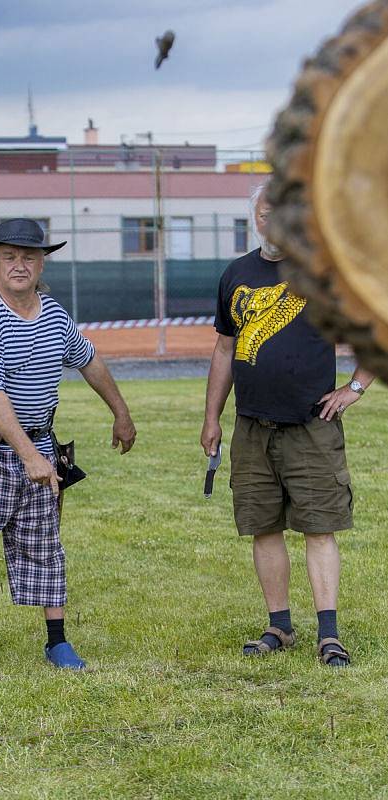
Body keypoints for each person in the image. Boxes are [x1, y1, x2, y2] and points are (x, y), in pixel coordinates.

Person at [0, 218, 136, 675]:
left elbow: (88, 359)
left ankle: (57, 642)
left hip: (39, 445)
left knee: (44, 546)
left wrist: (120, 412)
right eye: (9, 257)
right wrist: (29, 457)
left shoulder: (55, 314)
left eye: (29, 257)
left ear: (42, 263)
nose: (19, 265)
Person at [200, 185, 374, 667]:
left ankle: (329, 634)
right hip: (252, 427)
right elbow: (224, 349)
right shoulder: (236, 274)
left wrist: (354, 389)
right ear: (254, 215)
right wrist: (212, 416)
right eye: (266, 209)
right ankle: (279, 625)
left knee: (319, 528)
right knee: (264, 527)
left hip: (311, 425)